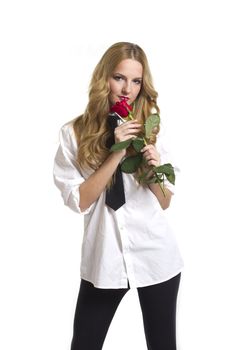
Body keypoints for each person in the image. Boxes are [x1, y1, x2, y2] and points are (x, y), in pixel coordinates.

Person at [53, 42, 184, 350]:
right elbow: (80, 200)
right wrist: (117, 153)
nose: (127, 89)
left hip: (156, 254)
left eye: (136, 81)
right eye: (119, 78)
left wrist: (152, 169)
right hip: (105, 258)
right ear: (104, 78)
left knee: (163, 344)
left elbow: (165, 201)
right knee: (85, 343)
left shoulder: (152, 129)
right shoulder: (73, 133)